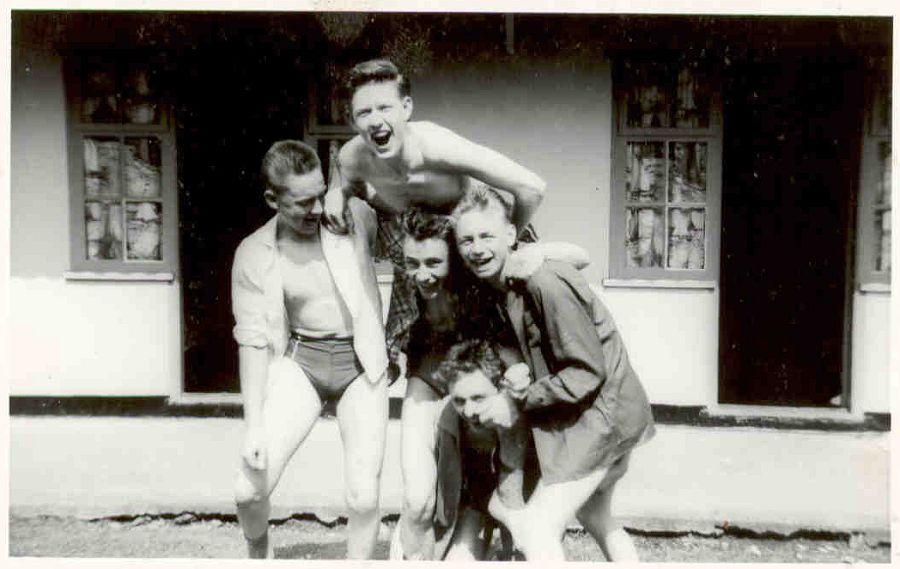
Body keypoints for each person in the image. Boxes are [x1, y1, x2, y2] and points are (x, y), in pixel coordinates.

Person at [451, 185, 656, 561]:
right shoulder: (500, 286)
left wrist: (517, 401)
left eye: (486, 236)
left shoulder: (544, 281)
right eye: (467, 239)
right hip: (589, 418)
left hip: (603, 419)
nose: (476, 248)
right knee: (595, 514)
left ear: (511, 235)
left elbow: (585, 371)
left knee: (537, 530)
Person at [322, 58, 547, 379]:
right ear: (352, 120)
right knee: (411, 255)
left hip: (477, 237)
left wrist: (508, 244)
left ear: (406, 108)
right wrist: (336, 194)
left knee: (509, 331)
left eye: (384, 108)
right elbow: (343, 181)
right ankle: (398, 355)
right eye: (364, 113)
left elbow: (532, 188)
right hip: (422, 243)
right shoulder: (352, 157)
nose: (375, 121)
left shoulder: (436, 145)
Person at [394, 207, 591, 559]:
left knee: (503, 462)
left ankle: (504, 528)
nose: (422, 275)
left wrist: (532, 253)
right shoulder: (407, 282)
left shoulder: (475, 277)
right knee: (417, 499)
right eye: (413, 263)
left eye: (434, 263)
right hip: (427, 376)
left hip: (476, 381)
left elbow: (580, 256)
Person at [230, 140, 389, 559]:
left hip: (362, 365)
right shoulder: (254, 253)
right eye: (302, 202)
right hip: (300, 362)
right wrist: (253, 427)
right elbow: (251, 341)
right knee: (248, 490)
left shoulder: (351, 217)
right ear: (271, 199)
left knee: (363, 496)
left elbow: (391, 188)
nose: (316, 209)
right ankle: (257, 553)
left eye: (320, 195)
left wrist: (342, 189)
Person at [429, 339, 531, 561]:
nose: (469, 410)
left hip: (521, 498)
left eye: (478, 398)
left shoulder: (516, 418)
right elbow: (447, 495)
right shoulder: (448, 421)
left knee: (526, 548)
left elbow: (513, 493)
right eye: (459, 400)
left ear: (500, 388)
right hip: (476, 502)